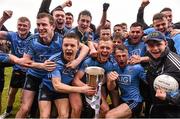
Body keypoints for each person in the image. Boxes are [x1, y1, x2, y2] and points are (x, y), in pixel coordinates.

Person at [38, 32, 95, 118]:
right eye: (66, 45)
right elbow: (57, 85)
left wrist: (77, 61)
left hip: (63, 90)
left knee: (64, 116)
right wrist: (82, 89)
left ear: (78, 47)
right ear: (62, 46)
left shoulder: (81, 57)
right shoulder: (54, 61)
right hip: (48, 88)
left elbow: (86, 48)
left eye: (72, 45)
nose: (68, 48)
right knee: (44, 117)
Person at [72, 39, 115, 118]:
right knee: (77, 109)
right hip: (78, 88)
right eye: (102, 47)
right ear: (97, 48)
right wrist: (86, 89)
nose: (105, 50)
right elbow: (75, 81)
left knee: (105, 110)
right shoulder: (88, 61)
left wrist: (112, 81)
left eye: (108, 48)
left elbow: (110, 87)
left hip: (94, 89)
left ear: (112, 51)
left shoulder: (109, 65)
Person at [0, 16, 32, 118]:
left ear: (29, 27)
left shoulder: (33, 37)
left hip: (28, 71)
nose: (22, 27)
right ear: (17, 26)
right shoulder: (12, 35)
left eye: (25, 26)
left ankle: (25, 113)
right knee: (11, 93)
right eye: (20, 25)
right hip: (17, 69)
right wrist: (3, 19)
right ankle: (8, 111)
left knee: (24, 96)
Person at [143, 31, 180, 118]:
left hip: (174, 112)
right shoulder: (151, 57)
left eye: (158, 44)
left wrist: (168, 97)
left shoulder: (176, 64)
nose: (155, 48)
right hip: (156, 108)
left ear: (166, 43)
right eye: (151, 45)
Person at [106, 45, 146, 118]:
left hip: (135, 101)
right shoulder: (114, 67)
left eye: (124, 55)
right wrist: (111, 81)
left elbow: (148, 82)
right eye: (118, 56)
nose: (121, 58)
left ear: (128, 56)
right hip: (122, 99)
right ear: (114, 57)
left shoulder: (136, 68)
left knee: (109, 116)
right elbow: (111, 88)